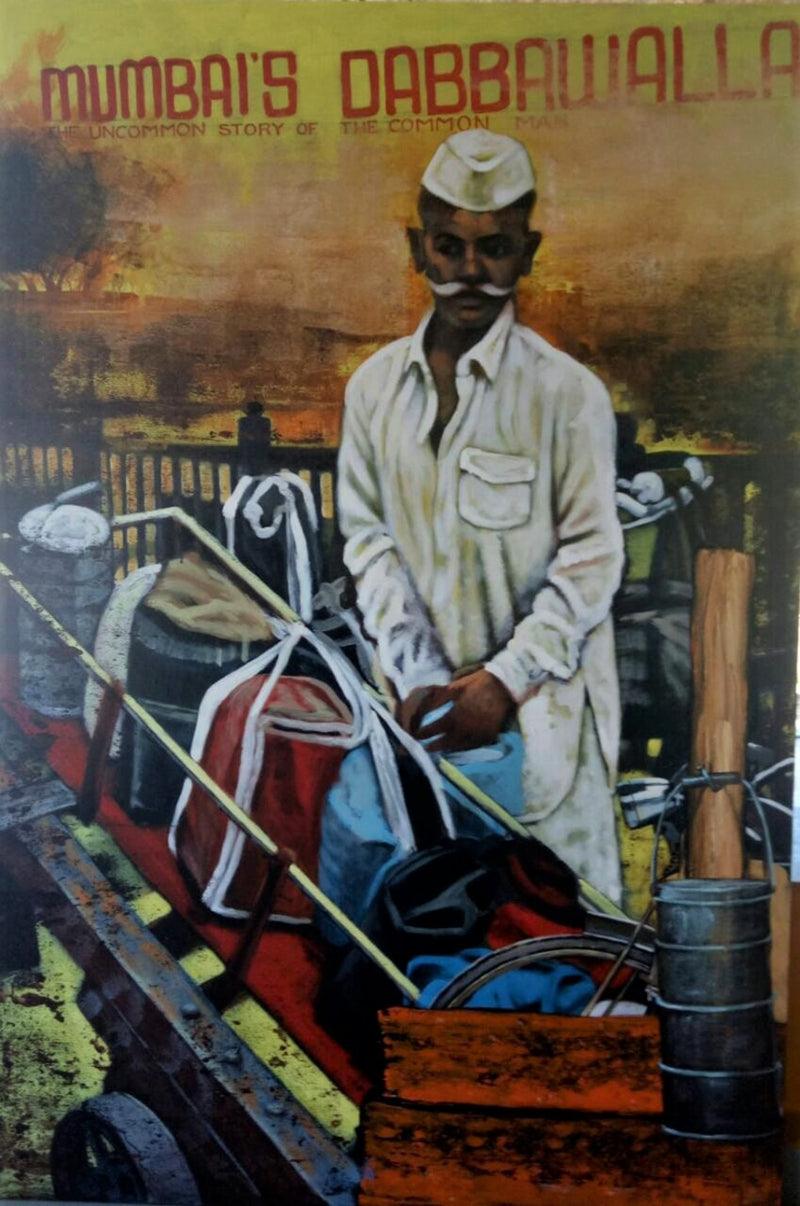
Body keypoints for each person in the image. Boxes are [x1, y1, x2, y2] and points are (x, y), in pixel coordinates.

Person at [336, 130, 625, 902]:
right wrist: (418, 677)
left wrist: (502, 681)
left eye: (493, 247)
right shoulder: (372, 392)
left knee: (562, 937)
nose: (470, 270)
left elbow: (592, 561)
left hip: (542, 735)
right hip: (420, 726)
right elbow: (368, 544)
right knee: (422, 925)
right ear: (418, 249)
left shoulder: (569, 396)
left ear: (526, 252)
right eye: (449, 246)